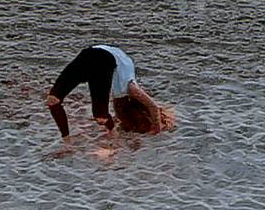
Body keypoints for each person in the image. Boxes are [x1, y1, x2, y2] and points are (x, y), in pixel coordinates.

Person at [45, 44, 175, 141]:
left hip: (93, 55)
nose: (116, 109)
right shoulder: (130, 87)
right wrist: (156, 129)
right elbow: (152, 106)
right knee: (53, 100)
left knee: (100, 116)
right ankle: (67, 141)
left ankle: (111, 140)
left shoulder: (120, 90)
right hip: (100, 57)